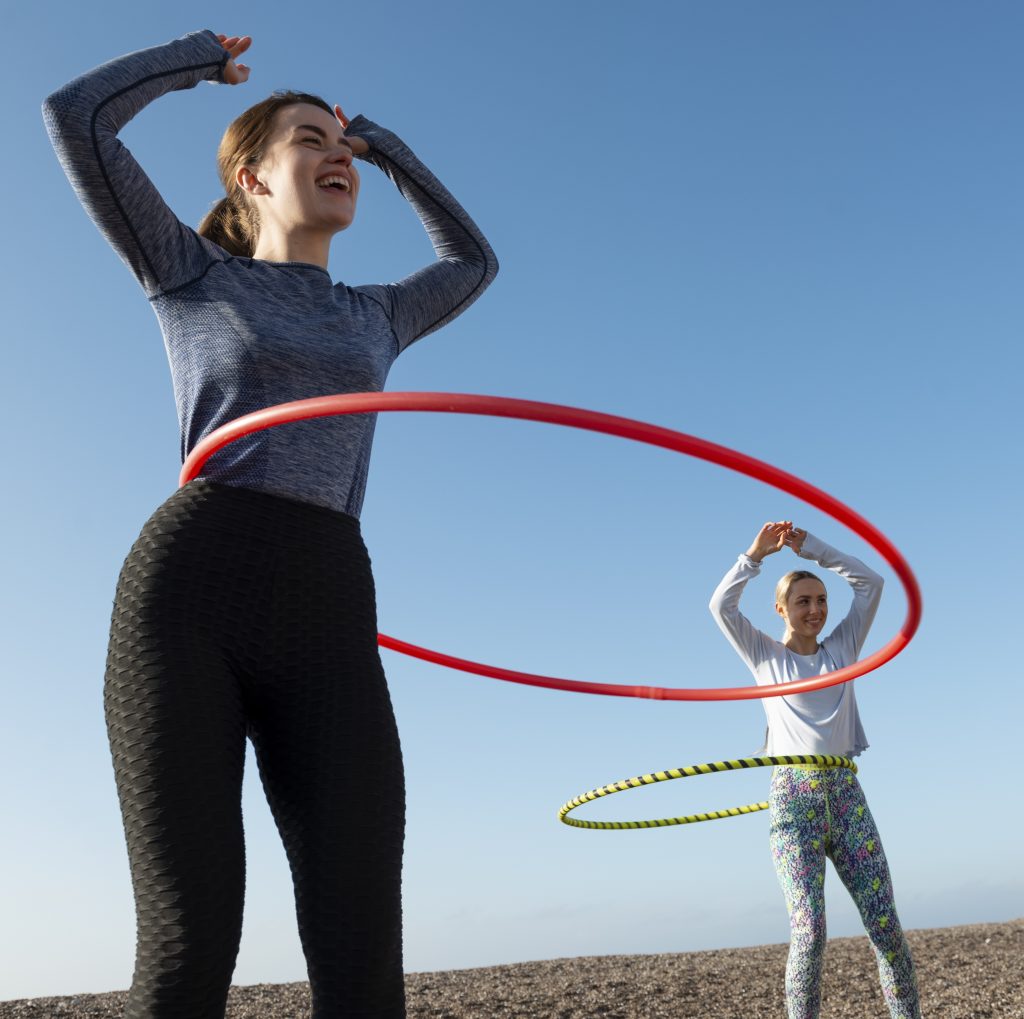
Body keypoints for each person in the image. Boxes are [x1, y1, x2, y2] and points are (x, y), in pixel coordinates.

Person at [44, 30, 497, 1019]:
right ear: (250, 176)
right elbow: (73, 116)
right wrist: (198, 61)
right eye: (308, 139)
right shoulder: (191, 273)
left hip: (329, 594)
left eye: (340, 146)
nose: (336, 156)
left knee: (361, 943)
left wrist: (390, 149)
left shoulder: (375, 314)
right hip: (194, 587)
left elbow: (473, 261)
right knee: (189, 941)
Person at [709, 521, 920, 1019]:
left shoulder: (842, 650)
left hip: (846, 795)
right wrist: (755, 555)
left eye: (821, 600)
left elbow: (873, 584)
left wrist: (815, 550)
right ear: (780, 609)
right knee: (809, 933)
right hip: (792, 798)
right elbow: (720, 606)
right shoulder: (765, 656)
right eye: (803, 601)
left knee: (886, 927)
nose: (816, 610)